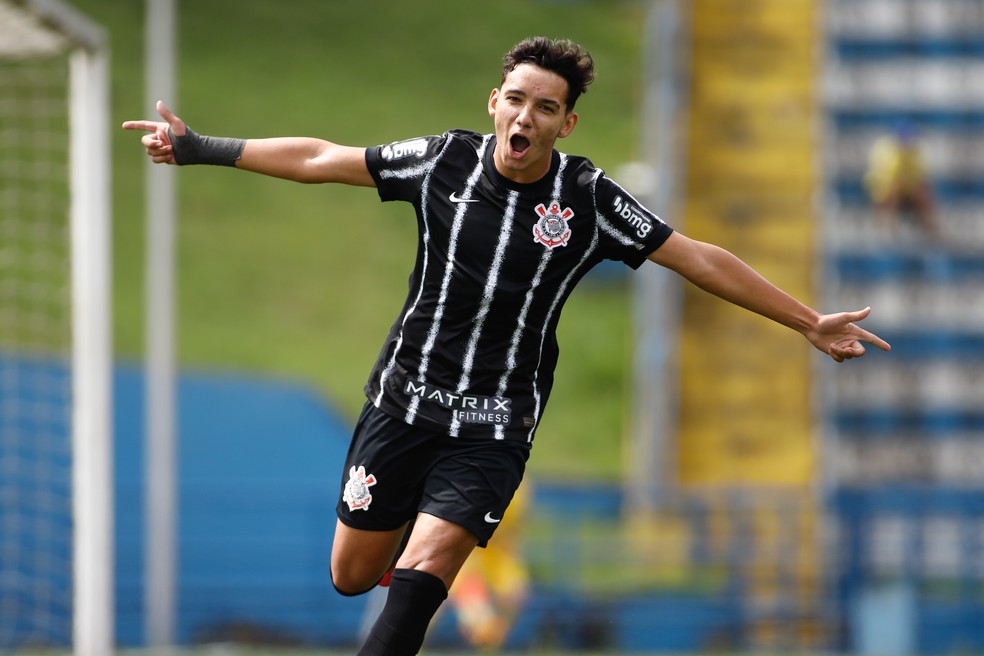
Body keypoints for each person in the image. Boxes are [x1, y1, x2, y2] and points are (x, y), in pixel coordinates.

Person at [123, 36, 891, 656]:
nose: (527, 116)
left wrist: (805, 320)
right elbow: (325, 161)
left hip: (494, 425)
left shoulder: (589, 200)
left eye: (546, 107)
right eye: (517, 99)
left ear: (566, 124)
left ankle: (435, 538)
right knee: (352, 576)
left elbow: (696, 258)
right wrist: (201, 147)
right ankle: (409, 522)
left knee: (429, 565)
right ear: (495, 103)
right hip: (403, 401)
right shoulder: (442, 161)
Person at [863, 119, 941, 238]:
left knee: (923, 193)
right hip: (882, 188)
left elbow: (922, 176)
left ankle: (932, 229)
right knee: (895, 189)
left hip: (908, 187)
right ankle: (886, 227)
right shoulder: (884, 150)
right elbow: (883, 178)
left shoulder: (917, 151)